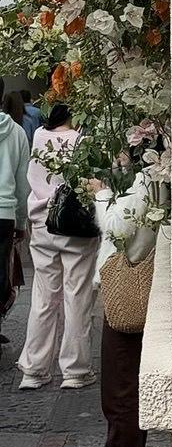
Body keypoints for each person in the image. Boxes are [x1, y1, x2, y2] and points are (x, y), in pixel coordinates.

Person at [81, 171, 157, 447]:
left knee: (120, 385)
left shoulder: (146, 177)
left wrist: (101, 194)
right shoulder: (150, 176)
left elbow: (118, 228)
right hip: (133, 283)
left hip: (128, 286)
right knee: (123, 381)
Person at [17, 102, 100, 391]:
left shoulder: (39, 136)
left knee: (43, 296)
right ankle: (75, 370)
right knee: (77, 295)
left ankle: (34, 369)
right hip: (75, 226)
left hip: (42, 223)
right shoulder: (83, 141)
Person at [0, 88, 30, 351]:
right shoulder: (17, 133)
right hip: (5, 213)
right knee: (1, 273)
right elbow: (23, 184)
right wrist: (21, 222)